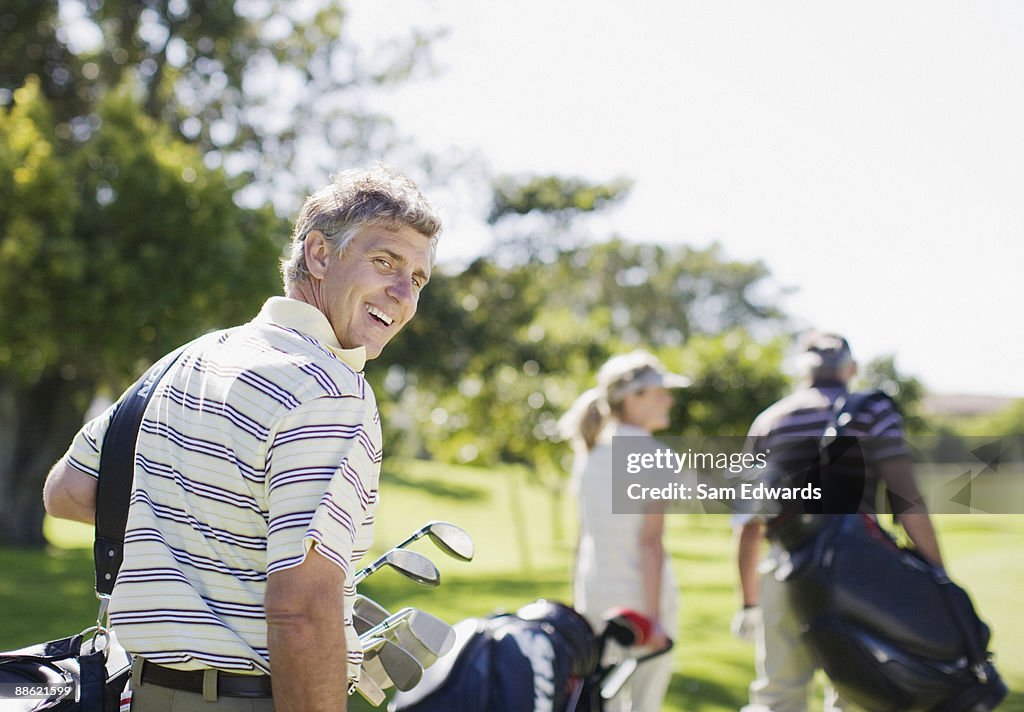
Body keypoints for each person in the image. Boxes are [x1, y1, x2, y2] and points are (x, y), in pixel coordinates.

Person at [42, 164, 442, 712]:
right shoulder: (331, 391)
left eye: (417, 279)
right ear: (320, 255)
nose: (402, 294)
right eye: (384, 262)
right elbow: (301, 614)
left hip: (143, 695)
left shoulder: (189, 360)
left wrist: (216, 543)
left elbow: (68, 490)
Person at [731, 331, 943, 712]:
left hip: (786, 569)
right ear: (852, 368)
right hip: (858, 567)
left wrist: (749, 603)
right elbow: (906, 498)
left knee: (777, 696)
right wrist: (937, 572)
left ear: (800, 369)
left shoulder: (770, 420)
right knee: (859, 695)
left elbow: (750, 522)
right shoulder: (873, 412)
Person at [559, 350, 689, 712]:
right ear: (632, 398)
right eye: (659, 392)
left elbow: (582, 537)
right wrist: (656, 622)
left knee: (601, 701)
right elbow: (650, 543)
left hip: (594, 596)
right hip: (642, 600)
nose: (668, 399)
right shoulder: (654, 456)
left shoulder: (590, 453)